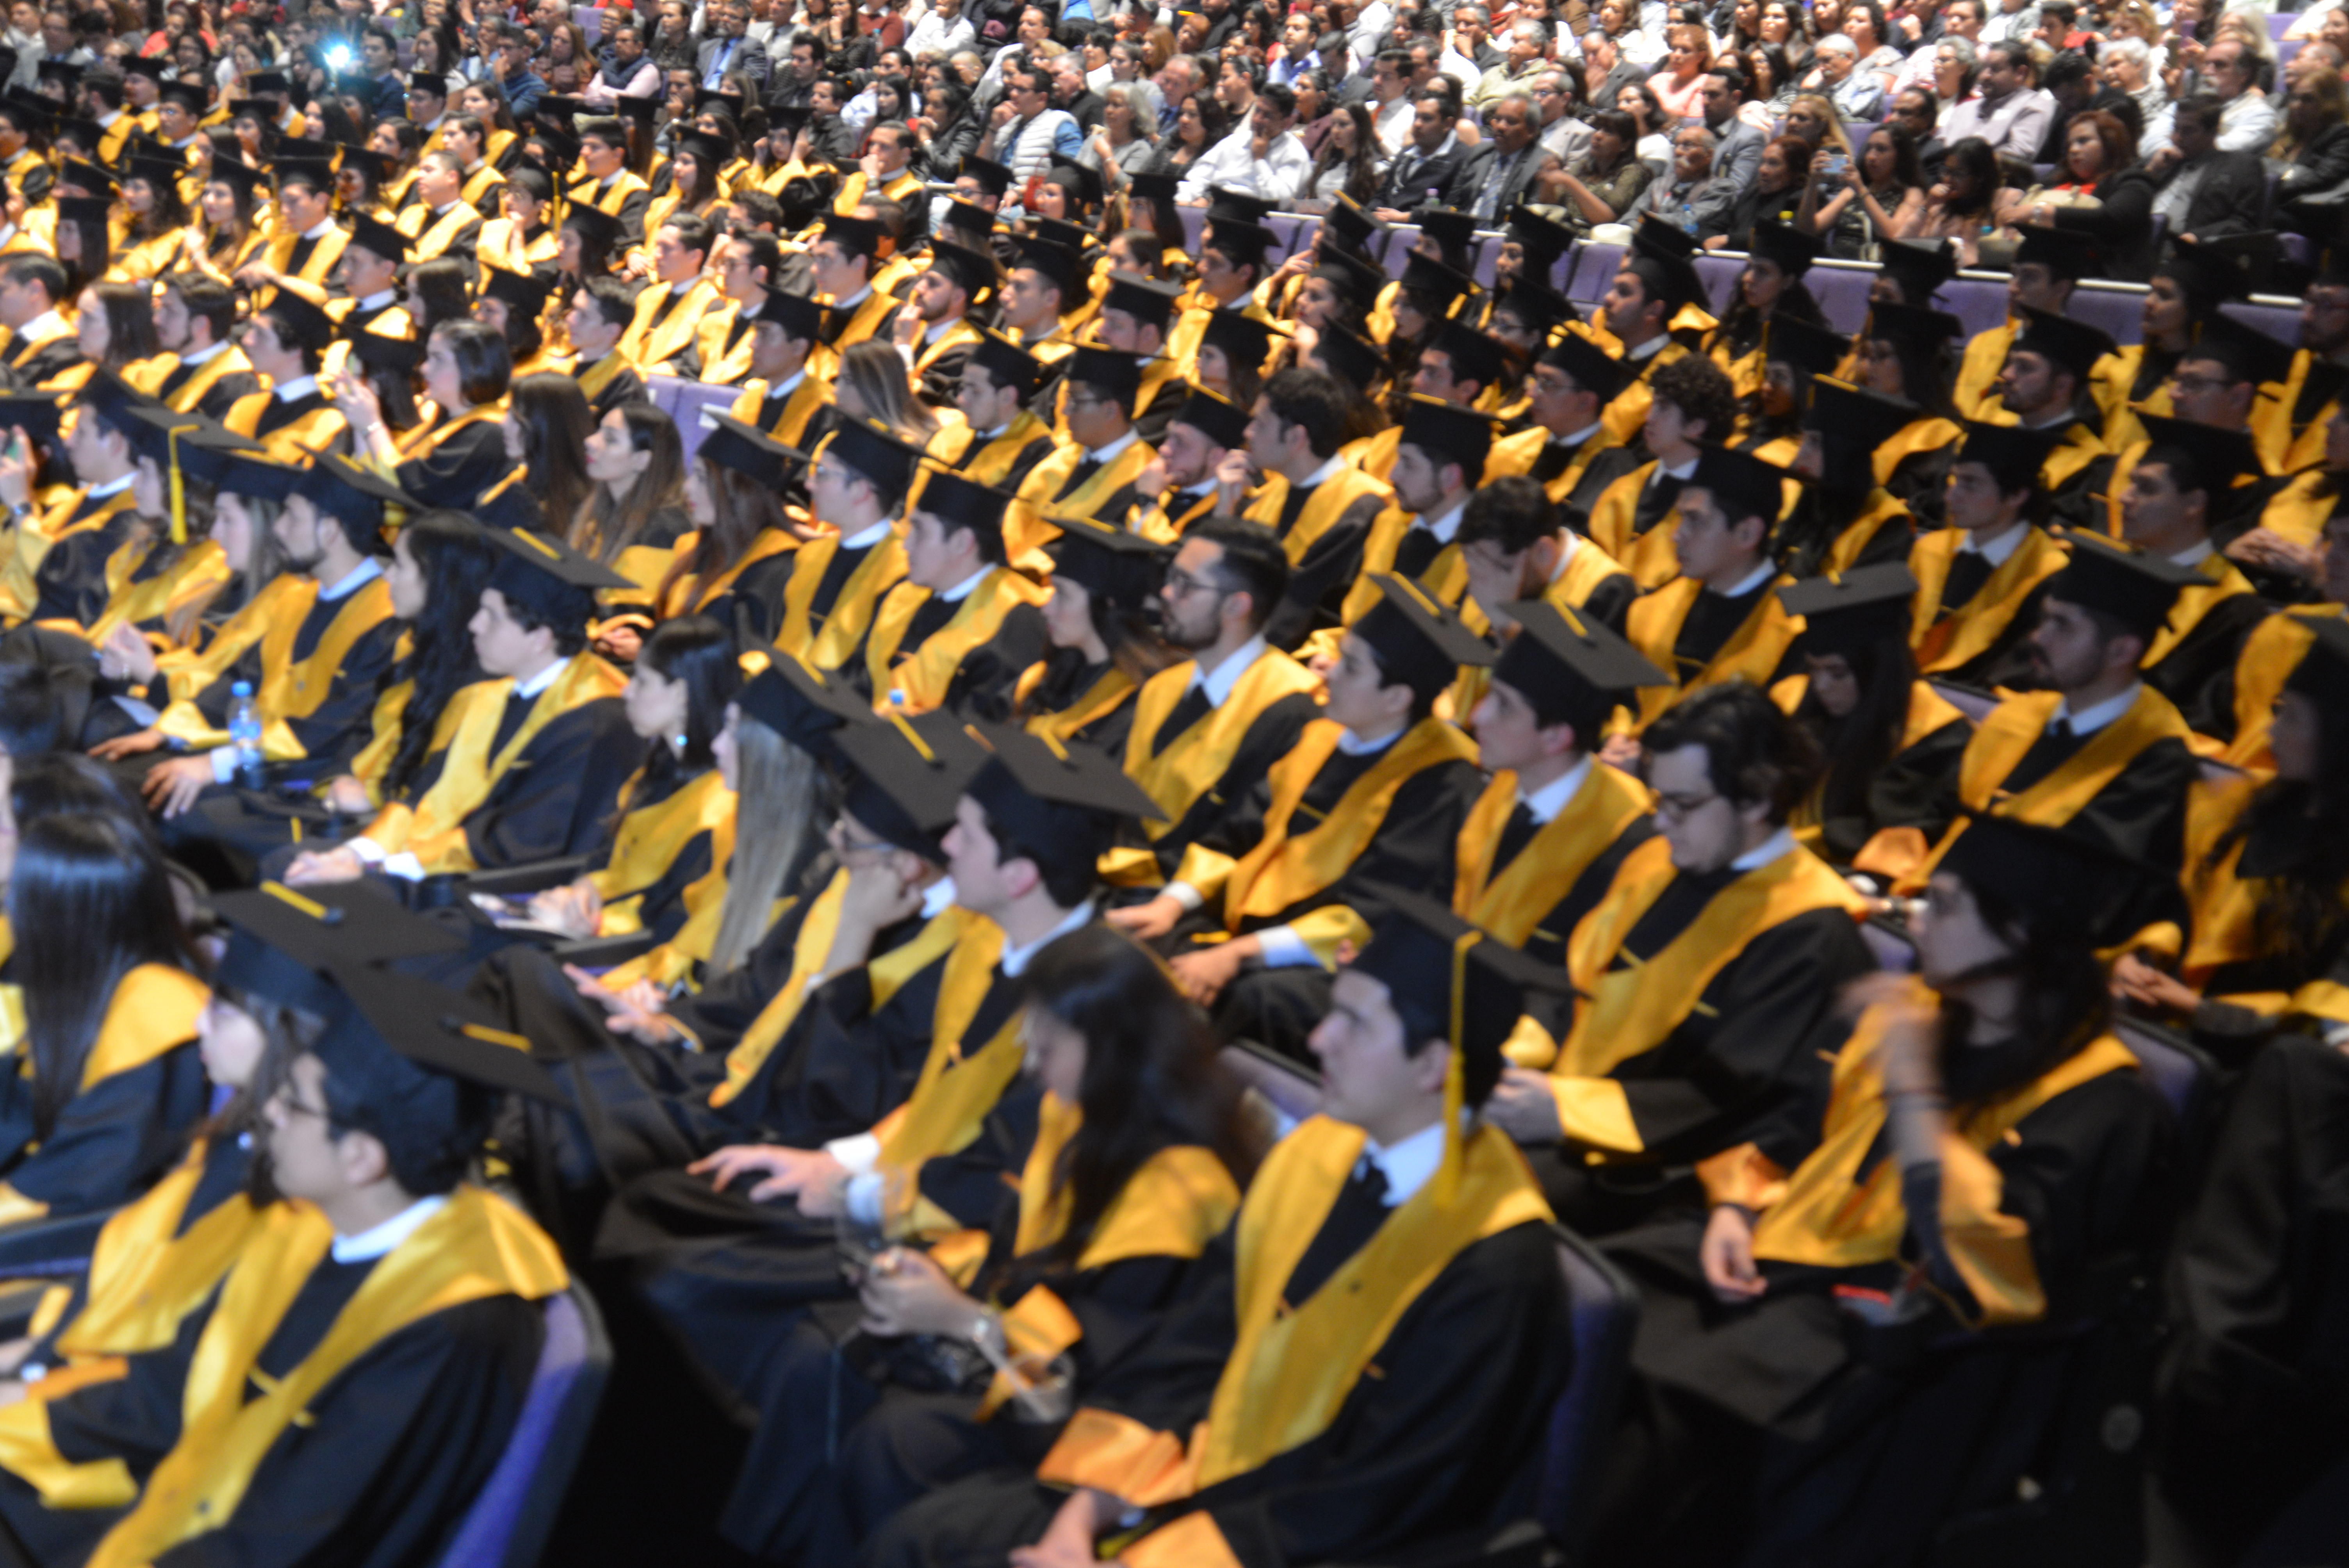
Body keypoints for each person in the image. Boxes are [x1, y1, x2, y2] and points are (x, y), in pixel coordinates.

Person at [866, 889, 1575, 1568]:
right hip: (1193, 1478)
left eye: (1355, 1023)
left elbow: (1385, 1493)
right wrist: (1084, 1513)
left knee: (930, 1542)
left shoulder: (1495, 1263)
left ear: (1432, 1067)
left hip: (1290, 1543)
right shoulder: (1317, 1154)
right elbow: (1193, 1347)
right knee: (913, 1508)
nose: (1320, 1036)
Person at [1590, 816, 2174, 1564]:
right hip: (1775, 1256)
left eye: (1949, 903)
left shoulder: (2104, 1105)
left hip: (1887, 1323)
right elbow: (1793, 1129)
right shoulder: (1920, 1022)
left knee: (1657, 1408)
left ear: (2023, 933)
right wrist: (1734, 1207)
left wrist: (1915, 1091)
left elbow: (1997, 1268)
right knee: (1594, 1311)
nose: (1918, 919)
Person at [702, 925, 1252, 1563]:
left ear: (1111, 1046)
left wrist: (965, 1319)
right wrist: (931, 1279)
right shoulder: (1074, 1114)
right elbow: (1012, 1244)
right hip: (1007, 1355)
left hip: (1088, 1416)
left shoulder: (1180, 1193)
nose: (1030, 1051)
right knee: (825, 1358)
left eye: (1048, 1039)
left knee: (895, 1440)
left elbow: (1109, 1365)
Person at [0, 963, 569, 1568]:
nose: (269, 1113)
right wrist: (30, 1399)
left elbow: (300, 1537)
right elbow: (176, 1384)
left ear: (362, 1159)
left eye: (294, 1106)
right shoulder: (324, 1230)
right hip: (180, 1487)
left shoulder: (448, 1326)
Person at [281, 525, 641, 884]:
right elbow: (423, 796)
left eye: (492, 616)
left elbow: (520, 842)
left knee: (299, 879)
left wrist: (378, 868)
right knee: (295, 864)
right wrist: (356, 854)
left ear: (540, 638)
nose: (474, 624)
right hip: (435, 865)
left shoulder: (595, 722)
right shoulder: (493, 696)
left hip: (495, 891)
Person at [1775, 563, 1970, 880]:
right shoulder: (1793, 698)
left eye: (1837, 673)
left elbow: (1885, 838)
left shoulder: (1933, 735)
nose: (1821, 685)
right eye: (1814, 669)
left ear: (1877, 669)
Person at [866, 467, 1051, 717]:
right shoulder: (905, 595)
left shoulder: (1016, 624)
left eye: (919, 531)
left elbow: (985, 730)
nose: (906, 545)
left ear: (962, 542)